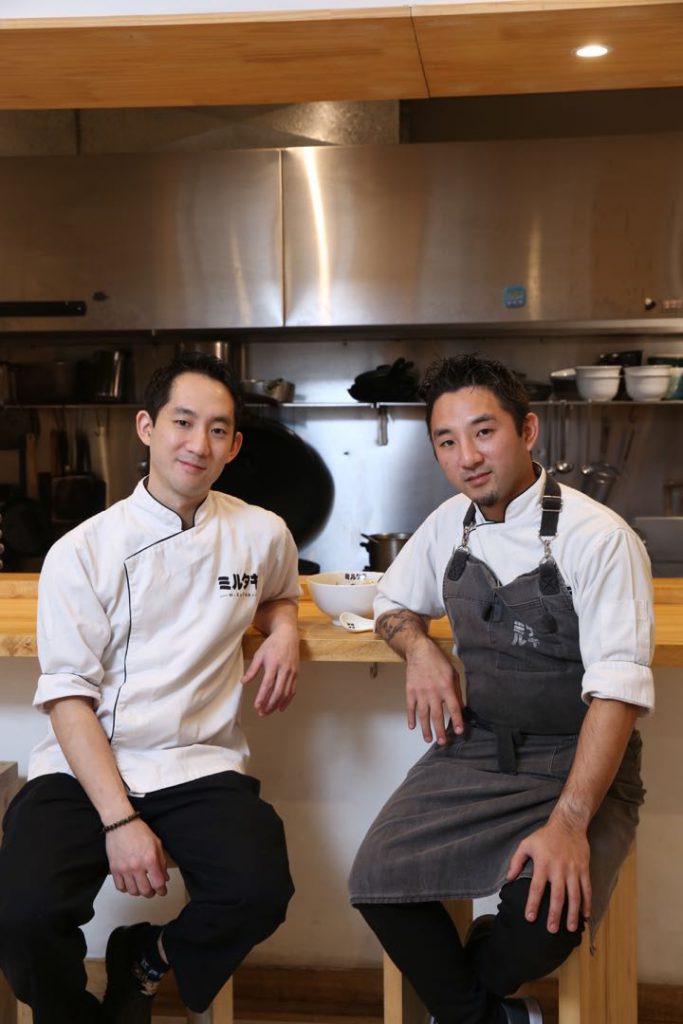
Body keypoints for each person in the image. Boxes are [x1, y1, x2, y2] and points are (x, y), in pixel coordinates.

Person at [349, 354, 654, 1024]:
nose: (467, 457)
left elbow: (617, 695)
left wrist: (567, 825)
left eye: (483, 432)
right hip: (479, 748)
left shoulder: (599, 538)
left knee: (542, 926)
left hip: (579, 759)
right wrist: (419, 649)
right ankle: (492, 1018)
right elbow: (390, 603)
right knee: (376, 878)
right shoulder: (448, 524)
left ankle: (467, 1003)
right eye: (447, 441)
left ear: (527, 431)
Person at [0, 351, 301, 1024]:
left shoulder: (261, 533)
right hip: (86, 764)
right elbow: (69, 698)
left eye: (217, 430)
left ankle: (145, 959)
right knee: (21, 913)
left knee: (258, 890)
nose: (198, 444)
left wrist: (283, 628)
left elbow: (280, 592)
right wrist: (120, 821)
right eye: (182, 422)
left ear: (234, 445)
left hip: (197, 762)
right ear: (146, 427)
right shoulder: (83, 551)